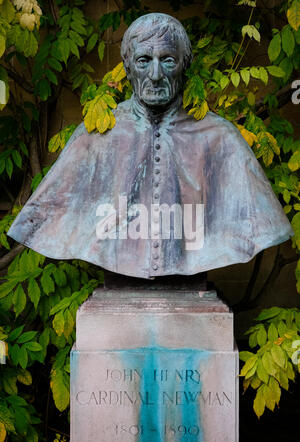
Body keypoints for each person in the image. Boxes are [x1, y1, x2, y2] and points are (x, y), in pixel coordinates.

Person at [8, 13, 293, 279]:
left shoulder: (222, 139)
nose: (155, 74)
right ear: (128, 66)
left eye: (167, 60)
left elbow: (263, 225)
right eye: (144, 60)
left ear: (184, 65)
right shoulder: (93, 137)